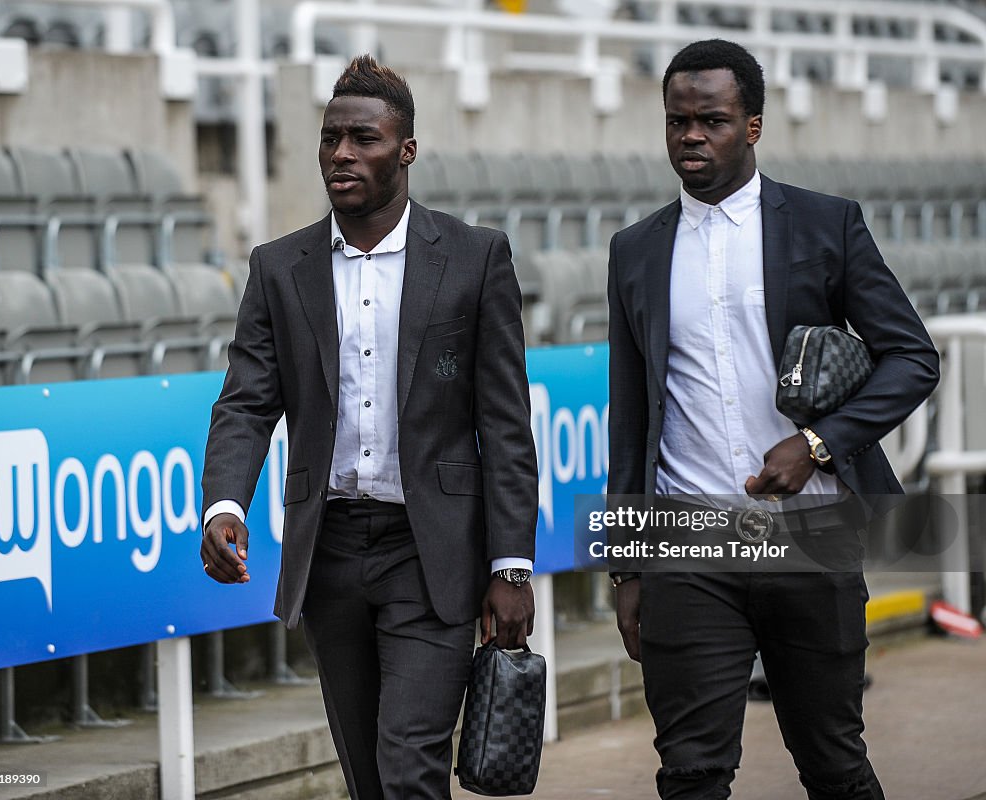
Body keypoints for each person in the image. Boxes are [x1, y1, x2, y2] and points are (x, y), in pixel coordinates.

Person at [606, 39, 939, 800]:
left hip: (811, 537)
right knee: (689, 773)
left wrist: (819, 444)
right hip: (687, 544)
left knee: (832, 763)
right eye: (677, 122)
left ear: (752, 126)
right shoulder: (634, 251)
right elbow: (631, 418)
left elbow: (913, 358)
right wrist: (627, 565)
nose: (691, 136)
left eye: (712, 121)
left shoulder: (827, 225)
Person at [199, 55, 538, 800]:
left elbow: (506, 423)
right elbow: (248, 401)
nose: (342, 154)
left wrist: (511, 566)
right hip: (331, 555)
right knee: (367, 779)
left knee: (409, 768)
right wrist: (225, 503)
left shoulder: (476, 259)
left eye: (364, 139)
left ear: (406, 150)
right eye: (330, 139)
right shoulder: (278, 268)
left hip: (432, 554)